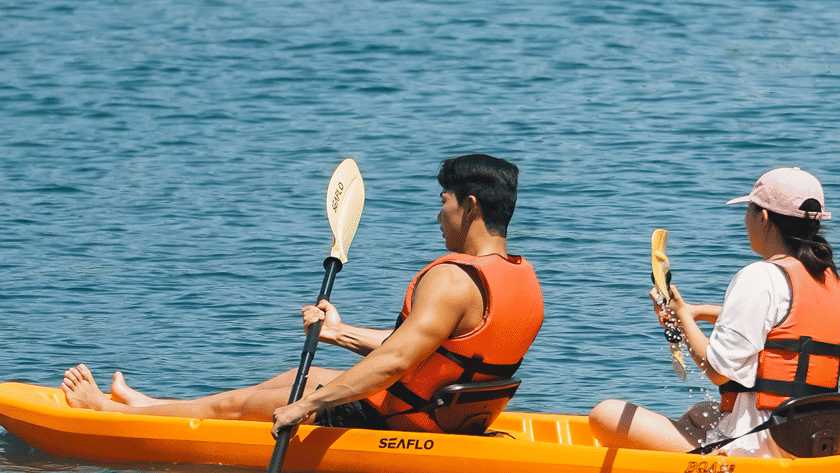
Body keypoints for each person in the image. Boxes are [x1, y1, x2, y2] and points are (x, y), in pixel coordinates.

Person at [60, 154, 544, 436]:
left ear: (471, 206)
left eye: (444, 204)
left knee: (251, 403)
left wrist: (303, 409)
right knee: (297, 373)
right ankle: (146, 406)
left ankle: (109, 415)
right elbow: (437, 350)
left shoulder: (452, 278)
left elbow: (397, 364)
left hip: (402, 423)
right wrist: (339, 333)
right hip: (450, 416)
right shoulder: (520, 277)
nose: (438, 217)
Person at [587, 167, 840, 457]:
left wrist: (682, 318)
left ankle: (695, 467)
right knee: (701, 413)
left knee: (605, 413)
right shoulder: (825, 277)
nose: (746, 220)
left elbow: (718, 372)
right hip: (804, 434)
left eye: (749, 209)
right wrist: (694, 311)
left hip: (761, 444)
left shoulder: (759, 276)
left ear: (763, 217)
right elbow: (777, 324)